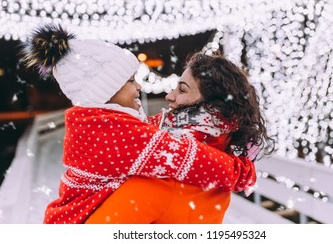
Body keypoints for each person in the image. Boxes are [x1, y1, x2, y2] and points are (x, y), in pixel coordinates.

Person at [21, 24, 256, 224]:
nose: (140, 87)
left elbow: (152, 131)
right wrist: (241, 172)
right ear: (108, 91)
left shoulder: (103, 123)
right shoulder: (118, 133)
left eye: (181, 89)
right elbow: (187, 156)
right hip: (77, 215)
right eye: (131, 81)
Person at [85, 52, 273, 224]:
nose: (169, 96)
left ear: (213, 108)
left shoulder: (163, 177)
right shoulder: (222, 164)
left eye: (182, 90)